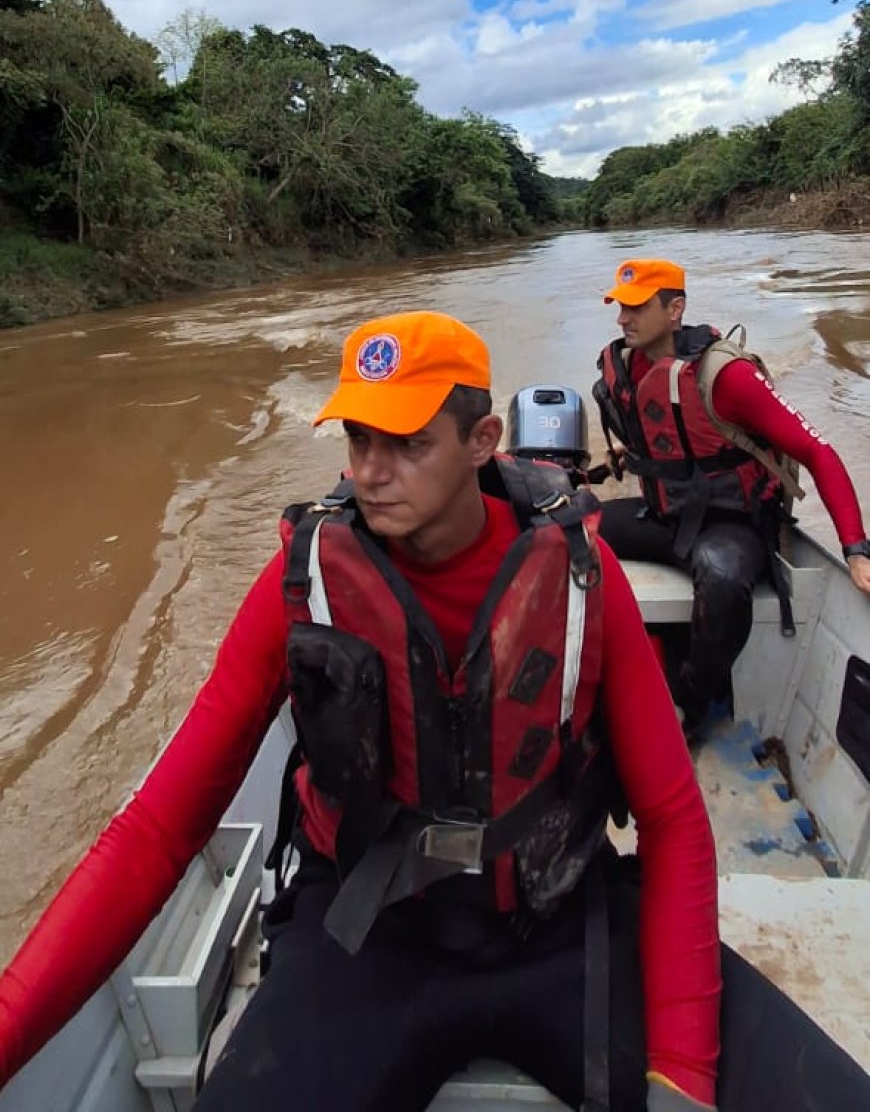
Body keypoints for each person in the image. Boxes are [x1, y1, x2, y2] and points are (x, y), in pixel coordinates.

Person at [1, 310, 869, 1112]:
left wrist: (683, 1070)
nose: (368, 471)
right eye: (357, 436)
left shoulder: (577, 577)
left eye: (407, 441)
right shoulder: (301, 587)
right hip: (365, 943)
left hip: (561, 923)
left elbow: (675, 818)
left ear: (483, 440)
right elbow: (156, 829)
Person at [594, 258, 870, 733]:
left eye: (636, 307)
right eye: (620, 307)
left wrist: (856, 549)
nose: (623, 319)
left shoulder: (725, 375)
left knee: (722, 577)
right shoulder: (628, 363)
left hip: (730, 525)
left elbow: (817, 451)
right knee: (564, 530)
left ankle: (692, 698)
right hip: (664, 515)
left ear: (675, 308)